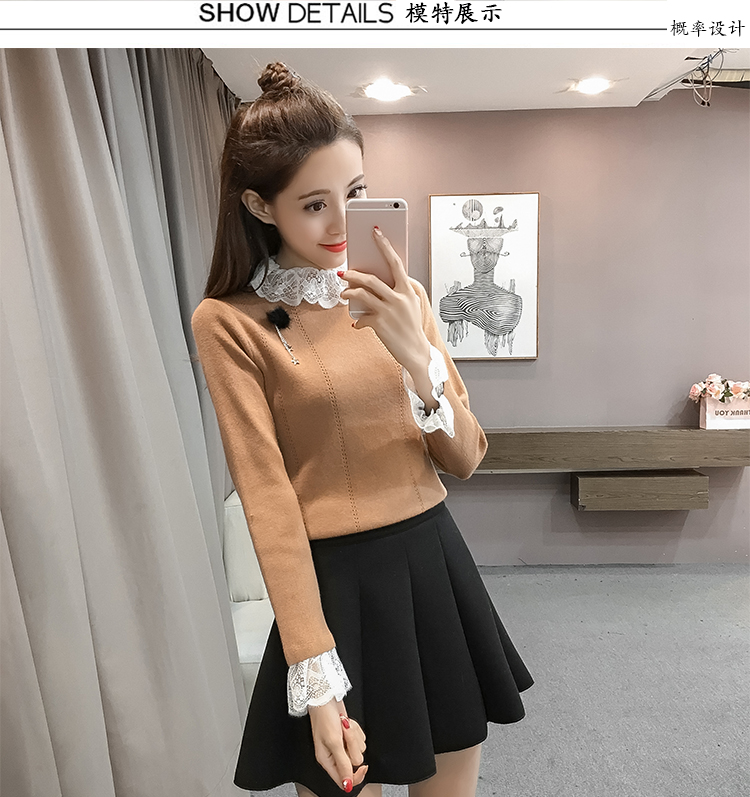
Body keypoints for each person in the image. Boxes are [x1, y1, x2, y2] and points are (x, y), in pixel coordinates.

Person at [191, 62, 534, 797]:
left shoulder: (404, 296)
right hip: (331, 588)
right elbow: (268, 499)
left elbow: (465, 457)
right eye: (315, 204)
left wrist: (416, 356)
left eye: (355, 193)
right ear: (258, 204)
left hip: (433, 565)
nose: (343, 224)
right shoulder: (229, 323)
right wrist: (315, 676)